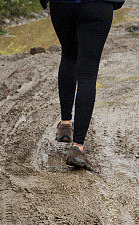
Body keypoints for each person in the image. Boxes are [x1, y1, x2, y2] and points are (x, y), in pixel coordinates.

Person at [41, 0, 124, 170]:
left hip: (63, 4)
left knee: (69, 55)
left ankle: (65, 123)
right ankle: (77, 148)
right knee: (88, 73)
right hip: (97, 5)